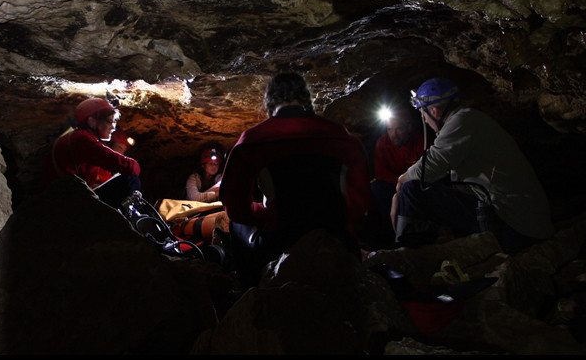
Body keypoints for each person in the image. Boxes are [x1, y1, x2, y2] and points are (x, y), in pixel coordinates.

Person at [219, 72, 371, 287]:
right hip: (335, 238)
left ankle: (251, 289)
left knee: (236, 224)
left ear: (270, 101)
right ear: (306, 99)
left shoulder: (252, 140)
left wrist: (266, 214)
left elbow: (235, 208)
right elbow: (360, 202)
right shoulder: (342, 137)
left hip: (280, 241)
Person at [392, 78, 553, 253]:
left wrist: (402, 181)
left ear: (434, 111)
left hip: (514, 225)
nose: (425, 121)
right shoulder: (470, 120)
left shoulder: (461, 121)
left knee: (412, 190)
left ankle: (407, 254)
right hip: (520, 222)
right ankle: (431, 243)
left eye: (423, 114)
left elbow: (431, 166)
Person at [40, 97, 141, 209]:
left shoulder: (76, 136)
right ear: (92, 121)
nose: (113, 127)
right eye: (109, 121)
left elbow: (99, 175)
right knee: (130, 179)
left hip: (66, 195)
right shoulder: (82, 139)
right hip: (67, 200)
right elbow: (129, 167)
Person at [369, 107, 426, 247]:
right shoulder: (383, 143)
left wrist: (405, 186)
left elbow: (427, 170)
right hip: (394, 186)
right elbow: (381, 172)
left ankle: (415, 236)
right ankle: (389, 236)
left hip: (416, 186)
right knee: (377, 189)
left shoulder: (421, 141)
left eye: (398, 129)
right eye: (389, 129)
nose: (394, 135)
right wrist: (398, 185)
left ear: (409, 127)